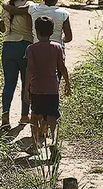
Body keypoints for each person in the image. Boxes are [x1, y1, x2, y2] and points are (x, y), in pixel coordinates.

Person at [24, 16, 71, 149]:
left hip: (36, 88)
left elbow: (29, 70)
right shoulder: (57, 47)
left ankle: (34, 145)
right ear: (52, 32)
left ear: (36, 32)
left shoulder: (31, 49)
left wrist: (25, 90)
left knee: (34, 116)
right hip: (52, 88)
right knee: (52, 116)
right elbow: (62, 67)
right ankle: (54, 141)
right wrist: (67, 83)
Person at [0, 0, 35, 131]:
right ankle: (24, 115)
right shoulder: (30, 6)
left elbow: (2, 28)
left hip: (8, 46)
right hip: (25, 46)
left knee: (9, 83)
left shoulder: (7, 5)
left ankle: (5, 117)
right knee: (27, 83)